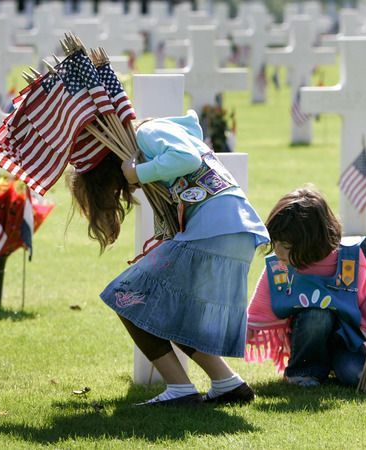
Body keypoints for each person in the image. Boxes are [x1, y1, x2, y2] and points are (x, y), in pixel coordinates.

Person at [67, 109, 269, 406]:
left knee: (126, 296)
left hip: (214, 228)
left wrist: (138, 173)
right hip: (228, 229)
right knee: (171, 308)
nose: (129, 188)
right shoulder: (161, 138)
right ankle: (227, 384)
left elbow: (187, 158)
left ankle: (180, 388)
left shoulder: (148, 134)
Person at [245, 187, 366, 387]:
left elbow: (365, 301)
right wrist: (227, 336)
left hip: (347, 339)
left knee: (358, 376)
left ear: (312, 243)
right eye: (276, 242)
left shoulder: (348, 260)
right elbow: (256, 317)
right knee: (317, 315)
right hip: (308, 336)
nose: (279, 252)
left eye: (288, 246)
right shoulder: (280, 266)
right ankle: (303, 371)